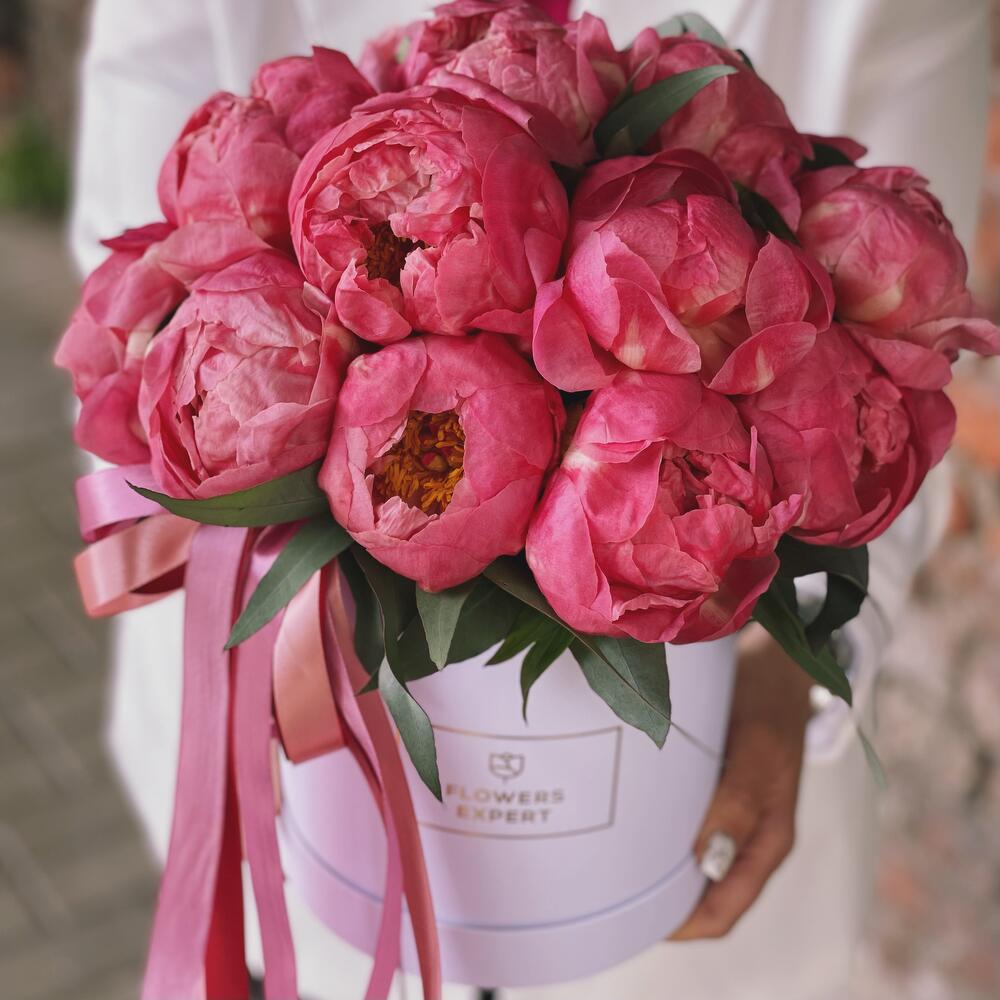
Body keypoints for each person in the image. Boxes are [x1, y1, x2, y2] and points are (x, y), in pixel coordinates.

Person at [70, 1, 990, 998]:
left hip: (687, 859)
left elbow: (899, 373)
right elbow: (142, 128)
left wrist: (798, 666)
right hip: (291, 803)